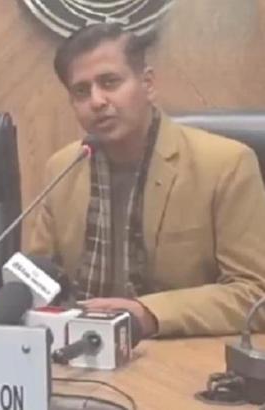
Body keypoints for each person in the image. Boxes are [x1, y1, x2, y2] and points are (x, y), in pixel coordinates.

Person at [30, 23, 265, 338]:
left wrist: (148, 313)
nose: (97, 101)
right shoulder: (63, 168)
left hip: (183, 354)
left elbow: (256, 295)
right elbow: (37, 279)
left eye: (110, 82)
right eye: (81, 91)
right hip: (82, 346)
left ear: (148, 84)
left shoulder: (226, 164)